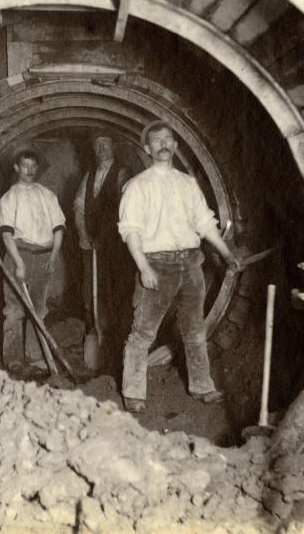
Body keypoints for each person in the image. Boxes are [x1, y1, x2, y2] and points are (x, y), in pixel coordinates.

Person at [117, 120, 239, 413]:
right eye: (156, 140)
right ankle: (133, 392)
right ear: (147, 148)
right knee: (143, 333)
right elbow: (130, 230)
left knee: (195, 330)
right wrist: (144, 267)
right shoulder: (137, 186)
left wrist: (227, 253)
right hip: (157, 264)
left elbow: (205, 223)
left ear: (175, 145)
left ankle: (202, 386)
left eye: (168, 139)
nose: (163, 144)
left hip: (191, 263)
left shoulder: (188, 184)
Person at [0, 150, 65, 375]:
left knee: (39, 310)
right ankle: (13, 360)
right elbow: (7, 234)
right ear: (17, 168)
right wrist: (18, 263)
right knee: (15, 309)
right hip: (19, 253)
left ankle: (35, 357)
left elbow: (58, 227)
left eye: (33, 166)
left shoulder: (47, 195)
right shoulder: (9, 197)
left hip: (44, 256)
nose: (30, 170)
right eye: (25, 165)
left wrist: (53, 257)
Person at [73, 133, 132, 370]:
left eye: (106, 144)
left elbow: (122, 209)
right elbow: (78, 208)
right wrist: (83, 235)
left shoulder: (123, 173)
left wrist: (104, 238)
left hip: (117, 247)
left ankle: (117, 342)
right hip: (91, 245)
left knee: (116, 291)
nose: (102, 148)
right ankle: (93, 331)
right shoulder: (88, 176)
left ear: (114, 146)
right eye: (97, 145)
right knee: (90, 290)